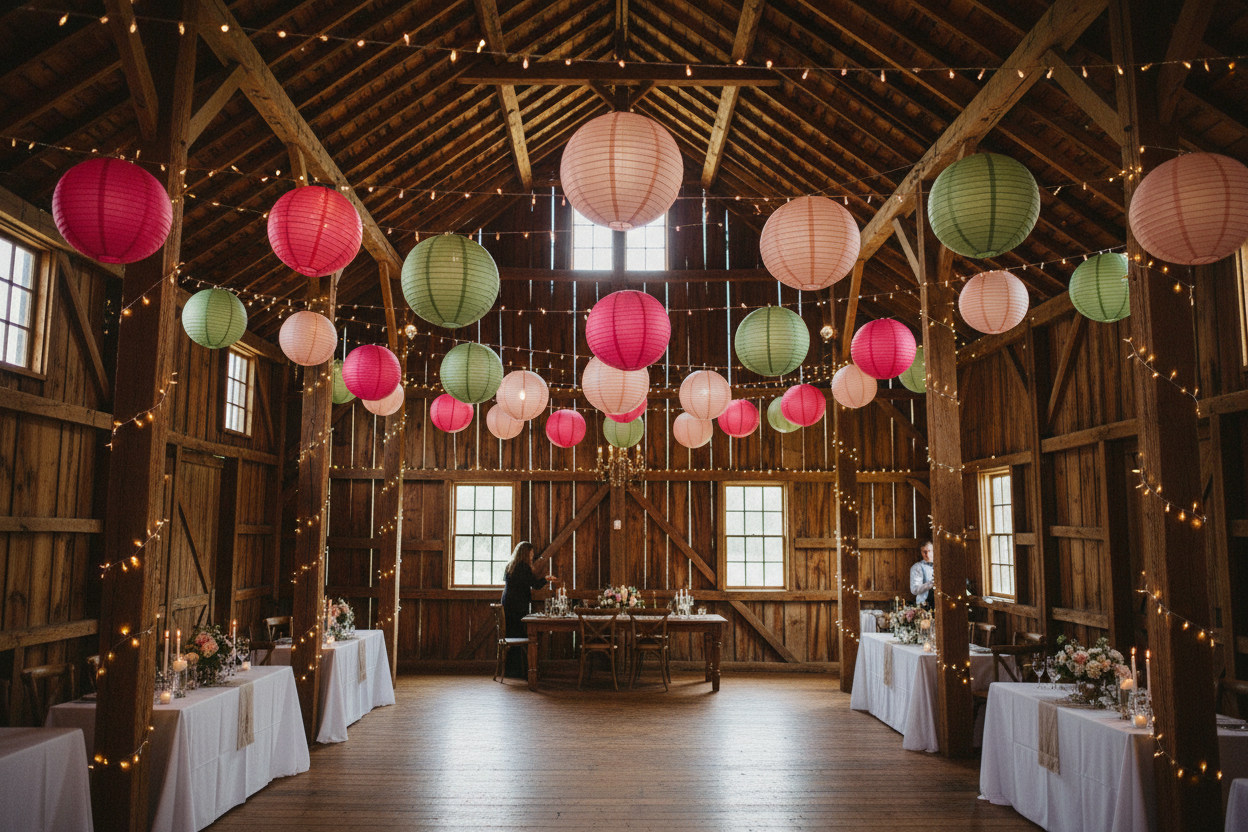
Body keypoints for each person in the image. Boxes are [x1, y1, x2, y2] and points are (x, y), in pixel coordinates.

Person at [501, 541, 557, 679]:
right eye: (531, 553)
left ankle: (511, 670)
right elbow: (536, 585)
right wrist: (546, 579)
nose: (532, 556)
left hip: (508, 604)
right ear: (526, 553)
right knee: (521, 636)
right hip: (517, 606)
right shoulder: (523, 568)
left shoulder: (510, 566)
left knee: (512, 634)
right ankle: (521, 671)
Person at [910, 540, 935, 609]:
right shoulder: (917, 567)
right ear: (921, 552)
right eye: (924, 552)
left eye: (929, 551)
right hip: (924, 605)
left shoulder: (941, 566)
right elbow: (914, 590)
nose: (927, 554)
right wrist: (932, 583)